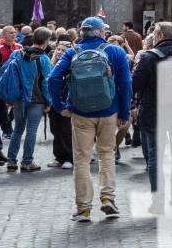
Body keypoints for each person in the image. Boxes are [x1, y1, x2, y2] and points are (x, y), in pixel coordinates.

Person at [46, 16, 134, 222]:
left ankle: (84, 208)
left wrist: (60, 106)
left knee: (82, 160)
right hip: (108, 111)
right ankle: (108, 198)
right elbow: (125, 84)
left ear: (82, 33)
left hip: (80, 113)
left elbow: (53, 78)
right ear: (102, 32)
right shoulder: (115, 51)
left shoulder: (72, 52)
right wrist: (124, 113)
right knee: (107, 155)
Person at [132, 21, 172, 205]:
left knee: (155, 155)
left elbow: (135, 85)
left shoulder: (149, 57)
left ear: (158, 36)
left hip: (153, 113)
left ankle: (158, 200)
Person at [0, 33, 53, 172]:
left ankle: (11, 160)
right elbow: (46, 83)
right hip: (37, 100)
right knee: (32, 130)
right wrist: (49, 101)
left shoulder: (17, 53)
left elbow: (5, 71)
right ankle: (27, 162)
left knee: (17, 129)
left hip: (19, 98)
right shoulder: (44, 59)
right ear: (46, 41)